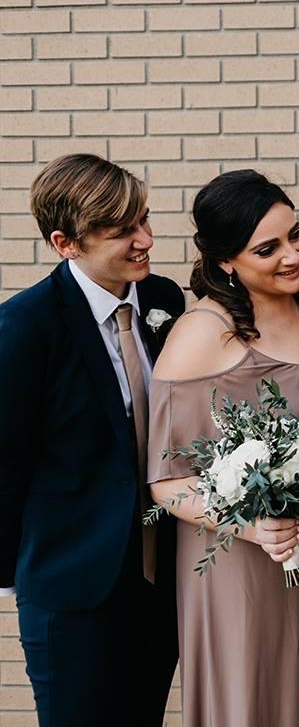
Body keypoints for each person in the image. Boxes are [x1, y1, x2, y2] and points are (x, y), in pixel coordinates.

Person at [148, 170, 299, 726]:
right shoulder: (202, 333)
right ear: (225, 261)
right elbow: (167, 480)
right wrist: (255, 526)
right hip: (242, 561)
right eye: (267, 248)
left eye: (294, 234)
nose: (292, 255)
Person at [0, 154, 183, 726]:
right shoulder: (23, 327)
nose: (145, 240)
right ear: (66, 244)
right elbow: (5, 462)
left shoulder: (164, 300)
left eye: (144, 220)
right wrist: (17, 576)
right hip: (71, 589)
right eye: (123, 230)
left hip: (161, 581)